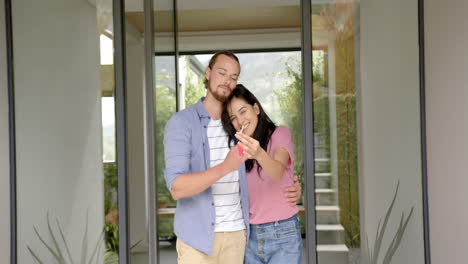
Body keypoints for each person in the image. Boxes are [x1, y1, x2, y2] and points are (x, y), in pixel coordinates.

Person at [163, 51, 301, 264]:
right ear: (208, 73)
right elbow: (176, 188)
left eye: (234, 77)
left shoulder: (239, 129)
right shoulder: (183, 123)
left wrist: (291, 184)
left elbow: (268, 171)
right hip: (197, 240)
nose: (227, 81)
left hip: (239, 237)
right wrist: (225, 167)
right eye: (222, 73)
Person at [221, 84, 303, 264]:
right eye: (233, 118)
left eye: (243, 111)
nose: (240, 120)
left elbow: (278, 171)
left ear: (256, 108)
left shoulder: (279, 133)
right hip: (249, 235)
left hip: (282, 231)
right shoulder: (237, 150)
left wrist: (258, 153)